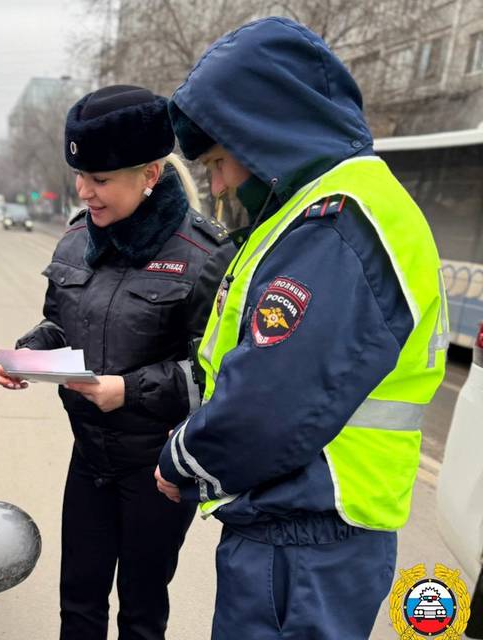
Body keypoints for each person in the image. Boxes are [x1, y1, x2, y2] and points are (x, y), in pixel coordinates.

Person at [153, 17, 449, 639]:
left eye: (219, 160)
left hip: (307, 540)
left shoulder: (337, 222)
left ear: (261, 135)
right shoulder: (335, 211)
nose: (218, 183)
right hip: (309, 535)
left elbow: (269, 398)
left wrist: (183, 459)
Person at [0, 85, 234, 640]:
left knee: (140, 613)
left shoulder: (204, 255)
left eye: (100, 180)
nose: (85, 192)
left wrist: (126, 390)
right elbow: (62, 323)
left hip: (156, 472)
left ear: (149, 174)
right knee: (77, 604)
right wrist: (31, 351)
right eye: (80, 177)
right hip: (90, 461)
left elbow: (214, 378)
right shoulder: (78, 238)